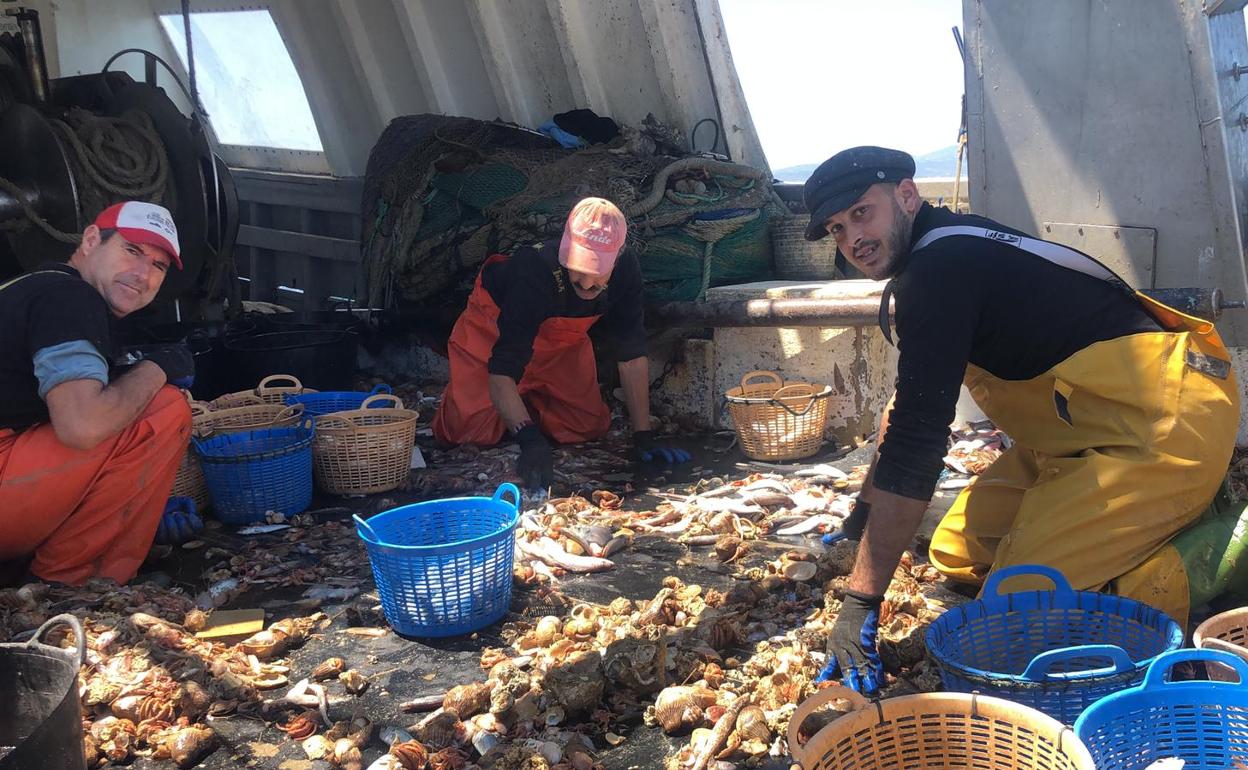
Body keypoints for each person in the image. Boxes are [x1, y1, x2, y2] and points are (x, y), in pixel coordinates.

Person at [803, 147, 1238, 694]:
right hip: (1077, 434)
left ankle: (1214, 549)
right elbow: (905, 410)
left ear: (907, 196)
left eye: (862, 213)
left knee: (1014, 611)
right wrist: (858, 522)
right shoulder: (942, 254)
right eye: (838, 230)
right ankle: (1131, 527)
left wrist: (861, 600)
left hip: (1163, 424)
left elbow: (917, 446)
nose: (853, 239)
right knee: (954, 551)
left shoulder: (939, 271)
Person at [0, 201, 198, 585]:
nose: (142, 274)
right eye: (132, 250)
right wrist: (157, 369)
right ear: (91, 240)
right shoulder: (69, 299)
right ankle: (69, 585)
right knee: (162, 408)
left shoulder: (28, 287)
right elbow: (82, 427)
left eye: (158, 266)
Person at [432, 197, 689, 488]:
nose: (587, 283)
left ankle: (527, 404)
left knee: (587, 428)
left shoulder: (627, 270)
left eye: (597, 271)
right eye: (579, 267)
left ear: (616, 259)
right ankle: (512, 411)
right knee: (464, 435)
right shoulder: (533, 270)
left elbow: (631, 353)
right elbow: (503, 366)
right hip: (491, 334)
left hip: (561, 347)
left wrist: (643, 434)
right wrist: (529, 439)